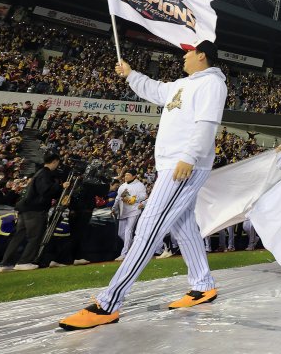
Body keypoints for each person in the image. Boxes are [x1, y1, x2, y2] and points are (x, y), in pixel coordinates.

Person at [59, 40, 228, 329]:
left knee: (148, 228)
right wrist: (130, 74)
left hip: (184, 165)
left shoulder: (212, 83)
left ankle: (109, 303)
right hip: (172, 164)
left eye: (188, 52)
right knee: (184, 227)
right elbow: (155, 89)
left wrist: (189, 156)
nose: (184, 56)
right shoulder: (183, 84)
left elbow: (207, 125)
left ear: (202, 56)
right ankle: (203, 285)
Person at [0, 152, 69, 272]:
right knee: (35, 236)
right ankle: (24, 261)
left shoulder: (39, 173)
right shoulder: (44, 174)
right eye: (57, 163)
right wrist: (61, 187)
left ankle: (5, 264)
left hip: (25, 209)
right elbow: (45, 191)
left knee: (18, 237)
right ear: (55, 161)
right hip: (34, 209)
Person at [111, 169, 148, 261]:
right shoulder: (122, 186)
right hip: (123, 210)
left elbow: (144, 196)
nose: (126, 177)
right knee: (121, 233)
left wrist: (134, 198)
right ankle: (135, 248)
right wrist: (114, 208)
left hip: (134, 210)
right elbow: (118, 198)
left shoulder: (139, 185)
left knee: (128, 231)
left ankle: (125, 253)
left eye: (128, 175)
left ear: (134, 176)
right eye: (125, 175)